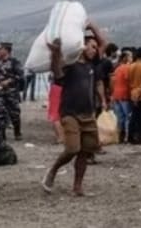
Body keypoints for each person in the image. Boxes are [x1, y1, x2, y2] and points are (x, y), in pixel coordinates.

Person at [42, 22, 107, 196]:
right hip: (70, 113)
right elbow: (57, 73)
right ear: (82, 46)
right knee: (72, 149)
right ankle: (53, 170)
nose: (94, 50)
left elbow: (104, 43)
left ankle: (77, 187)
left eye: (95, 47)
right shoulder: (70, 65)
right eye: (91, 46)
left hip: (88, 114)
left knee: (86, 151)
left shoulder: (93, 65)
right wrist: (56, 53)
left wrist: (92, 26)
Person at [0, 42, 24, 141]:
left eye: (1, 49)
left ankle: (17, 132)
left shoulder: (14, 62)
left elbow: (20, 76)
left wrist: (9, 81)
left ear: (6, 50)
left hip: (11, 92)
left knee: (14, 113)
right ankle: (2, 135)